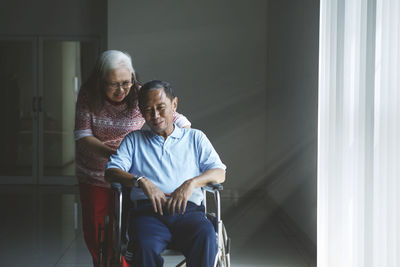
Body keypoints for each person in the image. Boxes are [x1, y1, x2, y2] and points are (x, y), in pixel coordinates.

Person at [74, 51, 191, 267]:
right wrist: (118, 155)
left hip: (132, 174)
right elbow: (82, 136)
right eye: (113, 84)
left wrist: (182, 146)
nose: (121, 90)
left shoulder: (138, 93)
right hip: (95, 173)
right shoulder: (88, 95)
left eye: (126, 82)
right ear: (101, 81)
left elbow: (179, 120)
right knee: (97, 230)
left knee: (128, 231)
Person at [104, 80, 226, 267]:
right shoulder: (134, 140)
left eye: (161, 107)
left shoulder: (195, 137)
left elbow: (219, 172)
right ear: (141, 111)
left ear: (174, 105)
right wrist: (141, 181)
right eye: (148, 110)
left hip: (189, 213)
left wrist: (191, 183)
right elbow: (111, 172)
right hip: (148, 214)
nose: (155, 116)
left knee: (207, 237)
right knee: (144, 247)